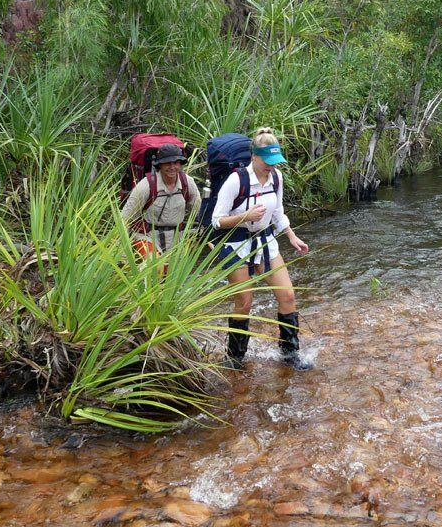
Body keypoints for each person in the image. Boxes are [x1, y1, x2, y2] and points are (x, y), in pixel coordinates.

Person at [211, 127, 311, 371]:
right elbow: (217, 220)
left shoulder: (276, 178)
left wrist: (292, 236)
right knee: (244, 302)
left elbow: (278, 212)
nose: (271, 167)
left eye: (275, 162)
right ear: (254, 157)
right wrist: (245, 215)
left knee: (287, 296)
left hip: (266, 242)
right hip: (236, 245)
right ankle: (235, 358)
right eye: (267, 162)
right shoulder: (237, 180)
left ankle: (289, 354)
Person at [121, 143, 201, 259]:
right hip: (147, 236)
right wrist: (122, 250)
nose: (172, 167)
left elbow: (198, 212)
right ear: (160, 165)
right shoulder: (146, 186)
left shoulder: (188, 183)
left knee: (173, 273)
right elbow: (125, 219)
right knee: (156, 266)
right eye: (168, 163)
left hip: (177, 237)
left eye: (176, 162)